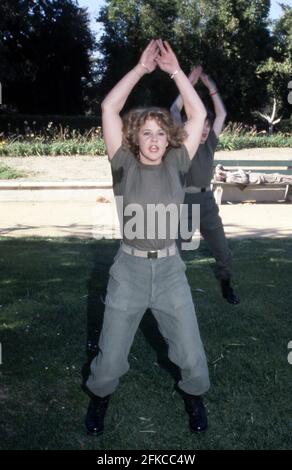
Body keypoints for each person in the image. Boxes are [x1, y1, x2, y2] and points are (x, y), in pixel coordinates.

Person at [84, 39, 210, 436]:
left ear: (167, 138)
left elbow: (199, 112)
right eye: (147, 134)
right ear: (135, 138)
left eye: (160, 133)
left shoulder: (177, 161)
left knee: (189, 351)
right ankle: (99, 401)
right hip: (129, 271)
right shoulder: (122, 164)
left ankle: (194, 398)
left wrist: (175, 72)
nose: (155, 140)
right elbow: (108, 108)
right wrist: (140, 69)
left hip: (171, 270)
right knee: (110, 357)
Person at [171, 67, 240, 305]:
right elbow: (174, 109)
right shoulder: (182, 140)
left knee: (222, 249)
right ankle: (172, 289)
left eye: (208, 129)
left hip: (207, 202)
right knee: (175, 251)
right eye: (202, 127)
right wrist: (187, 82)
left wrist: (211, 89)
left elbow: (221, 114)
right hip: (183, 203)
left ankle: (226, 283)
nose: (205, 132)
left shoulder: (210, 143)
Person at [214, 164, 292, 184]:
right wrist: (241, 171)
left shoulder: (228, 175)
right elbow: (244, 181)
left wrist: (218, 170)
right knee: (277, 177)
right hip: (256, 179)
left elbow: (219, 166)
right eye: (220, 173)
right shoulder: (230, 178)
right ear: (222, 176)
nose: (221, 171)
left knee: (276, 175)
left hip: (255, 176)